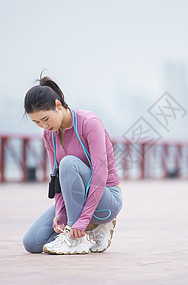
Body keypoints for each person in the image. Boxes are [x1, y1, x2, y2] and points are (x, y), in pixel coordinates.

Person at [22, 75, 123, 255]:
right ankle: (82, 229)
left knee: (68, 163)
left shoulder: (89, 123)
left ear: (58, 105)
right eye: (37, 122)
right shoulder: (49, 135)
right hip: (74, 202)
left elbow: (100, 174)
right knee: (32, 243)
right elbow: (56, 178)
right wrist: (60, 214)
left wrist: (80, 222)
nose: (43, 126)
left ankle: (79, 237)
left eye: (45, 119)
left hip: (106, 201)